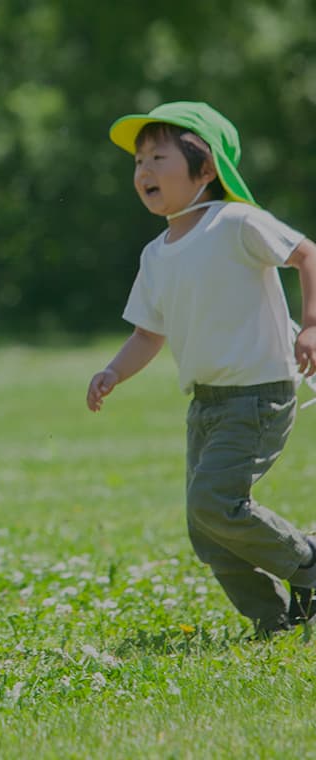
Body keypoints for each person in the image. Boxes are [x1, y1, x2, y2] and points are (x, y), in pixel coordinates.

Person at [86, 101, 316, 637]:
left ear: (206, 168)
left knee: (215, 503)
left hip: (258, 393)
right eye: (138, 162)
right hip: (207, 400)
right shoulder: (156, 254)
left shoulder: (236, 222)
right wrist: (114, 371)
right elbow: (149, 332)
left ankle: (307, 561)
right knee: (207, 528)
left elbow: (307, 254)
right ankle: (274, 622)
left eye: (158, 157)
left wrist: (310, 324)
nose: (144, 171)